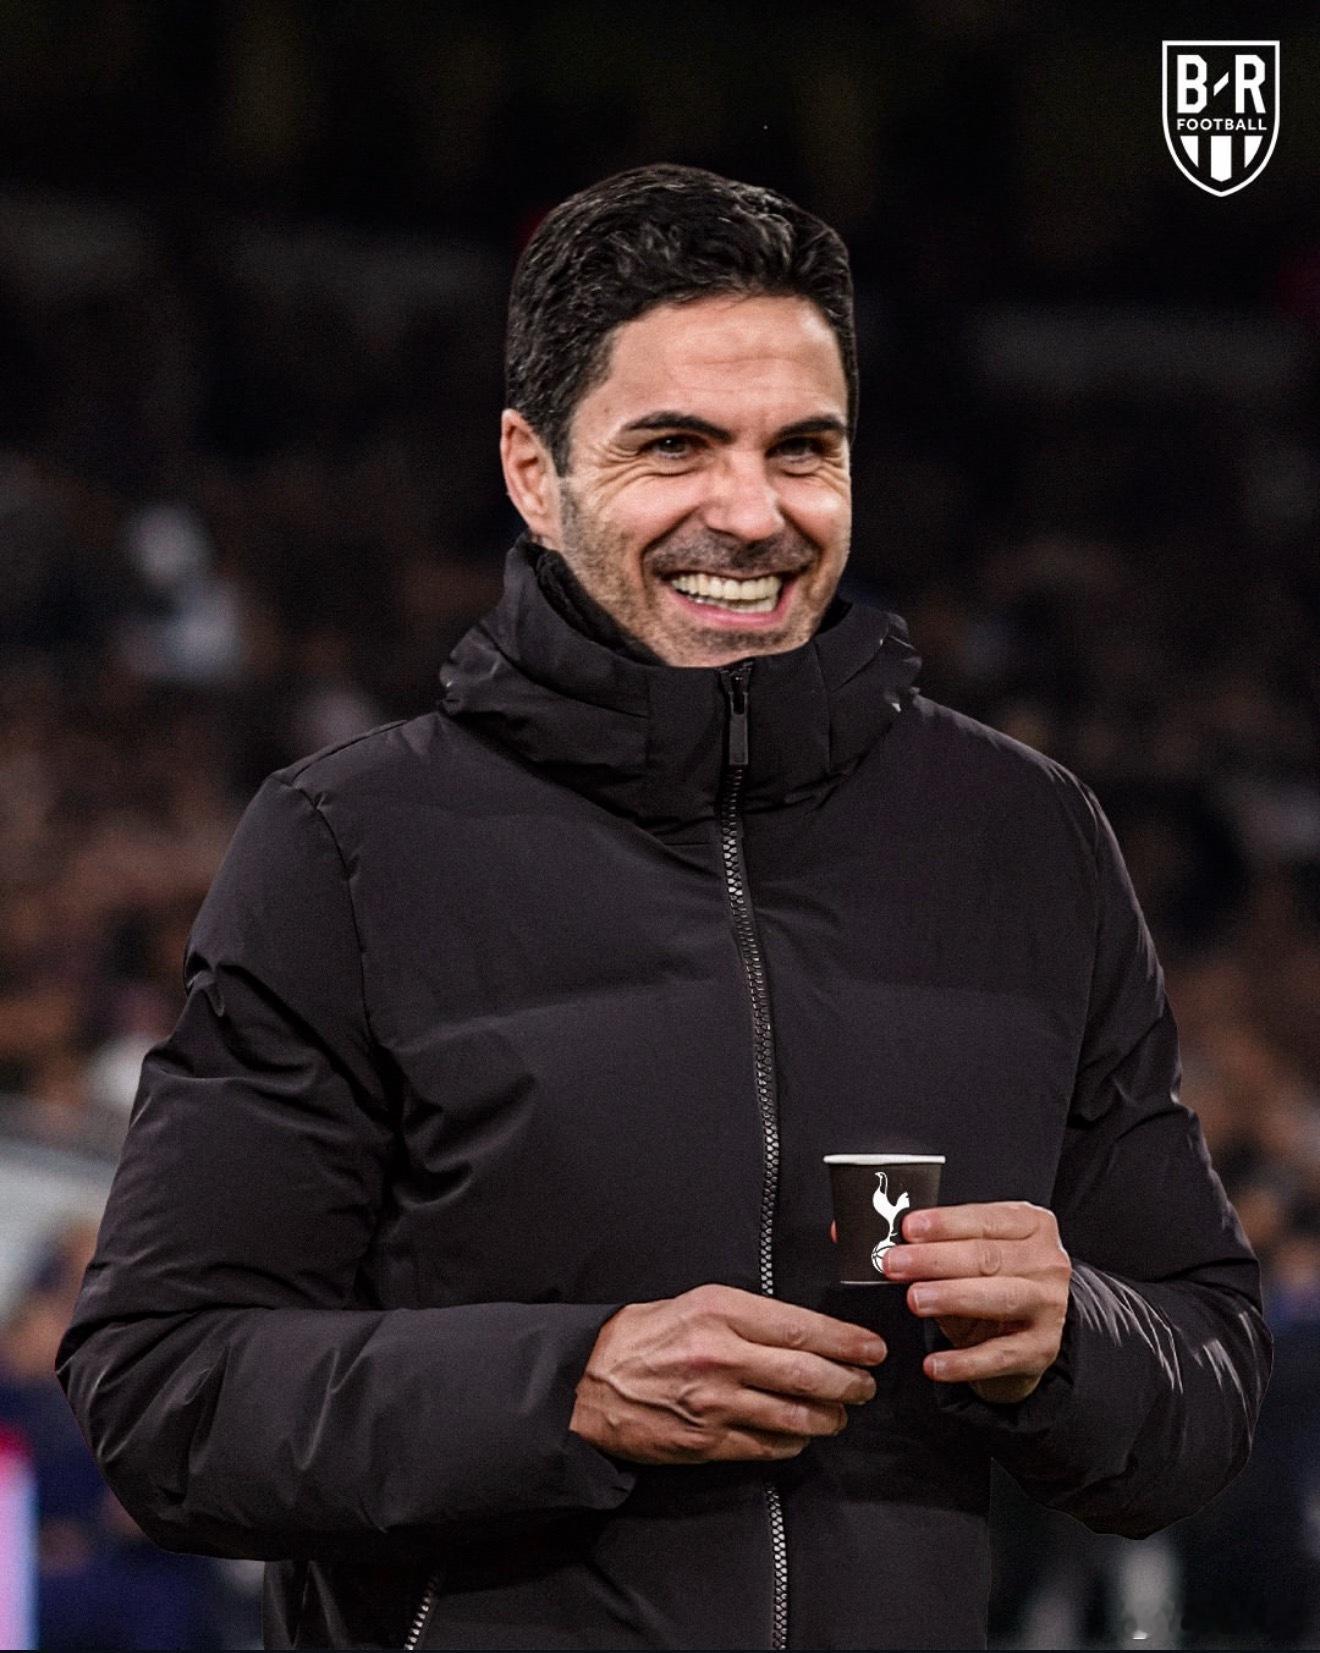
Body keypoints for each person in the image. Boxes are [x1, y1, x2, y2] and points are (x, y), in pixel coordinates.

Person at [58, 165, 1270, 1651]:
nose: (750, 513)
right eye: (675, 445)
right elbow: (161, 1389)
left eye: (802, 448)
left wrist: (1079, 1339)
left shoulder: (1027, 841)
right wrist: (567, 1386)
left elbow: (1213, 1374)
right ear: (533, 469)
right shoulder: (351, 849)